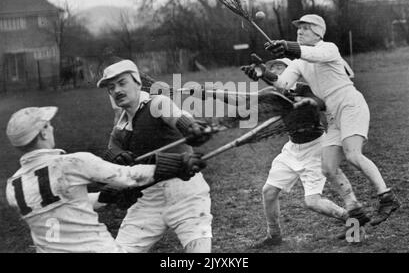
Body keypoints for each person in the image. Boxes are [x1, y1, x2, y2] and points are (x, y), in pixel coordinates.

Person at [244, 14, 400, 230]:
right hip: (333, 113)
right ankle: (354, 209)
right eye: (299, 29)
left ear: (318, 32)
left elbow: (311, 54)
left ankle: (387, 197)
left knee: (353, 154)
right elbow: (283, 84)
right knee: (327, 167)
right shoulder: (299, 62)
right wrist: (262, 72)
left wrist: (288, 47)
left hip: (350, 103)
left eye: (306, 28)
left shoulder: (328, 48)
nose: (300, 31)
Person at [5, 106, 206, 253]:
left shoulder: (13, 187)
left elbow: (61, 204)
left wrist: (105, 196)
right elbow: (129, 177)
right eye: (49, 126)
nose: (52, 129)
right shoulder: (71, 162)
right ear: (42, 132)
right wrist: (176, 165)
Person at [97, 59, 213, 253]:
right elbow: (110, 156)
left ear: (138, 83)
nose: (117, 90)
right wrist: (115, 156)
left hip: (185, 191)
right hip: (147, 198)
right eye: (111, 87)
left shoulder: (158, 103)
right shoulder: (120, 127)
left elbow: (177, 117)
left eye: (122, 83)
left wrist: (190, 127)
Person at [242, 58, 349, 247]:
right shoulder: (273, 93)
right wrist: (207, 93)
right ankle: (274, 235)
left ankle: (351, 219)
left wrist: (303, 101)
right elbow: (242, 100)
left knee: (313, 202)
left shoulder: (304, 89)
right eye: (271, 67)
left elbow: (320, 101)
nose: (275, 70)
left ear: (292, 70)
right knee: (268, 192)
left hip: (316, 148)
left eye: (280, 67)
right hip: (292, 149)